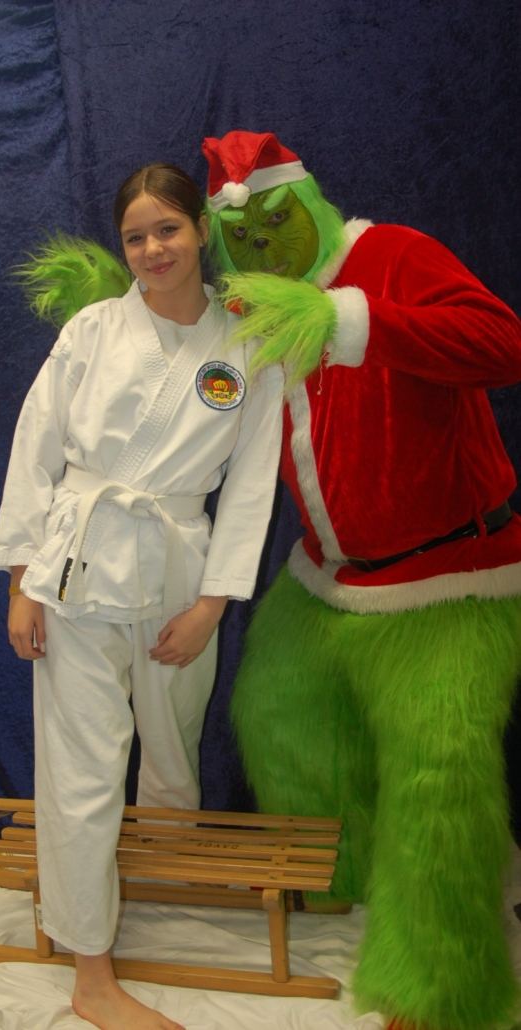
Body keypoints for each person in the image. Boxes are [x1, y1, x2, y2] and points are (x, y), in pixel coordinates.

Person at [201, 130, 521, 1030]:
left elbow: (503, 342)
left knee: (437, 769)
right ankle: (346, 876)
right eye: (242, 235)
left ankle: (442, 983)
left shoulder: (392, 254)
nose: (264, 245)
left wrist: (352, 324)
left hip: (452, 579)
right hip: (329, 579)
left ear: (307, 202)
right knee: (274, 706)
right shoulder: (250, 303)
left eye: (276, 222)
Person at [0, 162, 283, 1030]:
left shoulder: (248, 345)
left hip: (182, 573)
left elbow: (252, 484)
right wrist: (22, 582)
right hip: (77, 569)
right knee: (82, 771)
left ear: (202, 231)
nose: (153, 249)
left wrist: (212, 606)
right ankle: (92, 973)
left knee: (173, 749)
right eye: (135, 237)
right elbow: (35, 450)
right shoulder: (92, 330)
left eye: (168, 229)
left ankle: (158, 881)